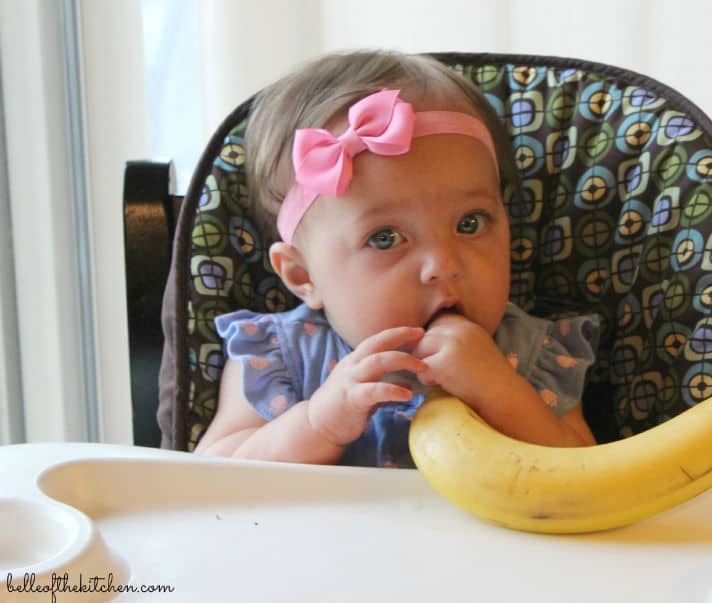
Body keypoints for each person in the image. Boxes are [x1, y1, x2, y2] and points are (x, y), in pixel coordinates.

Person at [194, 50, 599, 467]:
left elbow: (592, 479)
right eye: (385, 238)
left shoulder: (530, 357)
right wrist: (319, 423)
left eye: (471, 223)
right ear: (302, 276)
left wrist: (501, 394)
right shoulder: (279, 356)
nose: (443, 264)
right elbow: (209, 478)